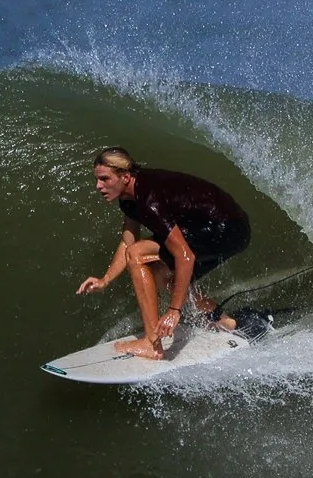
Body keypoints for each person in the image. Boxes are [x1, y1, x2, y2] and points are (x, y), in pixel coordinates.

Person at [75, 147, 252, 359]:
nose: (98, 186)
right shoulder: (128, 197)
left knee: (140, 254)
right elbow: (127, 241)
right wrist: (105, 280)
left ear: (125, 176)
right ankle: (223, 320)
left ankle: (152, 344)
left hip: (227, 229)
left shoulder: (149, 199)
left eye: (105, 179)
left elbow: (185, 256)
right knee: (162, 275)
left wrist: (174, 311)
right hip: (217, 227)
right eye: (97, 179)